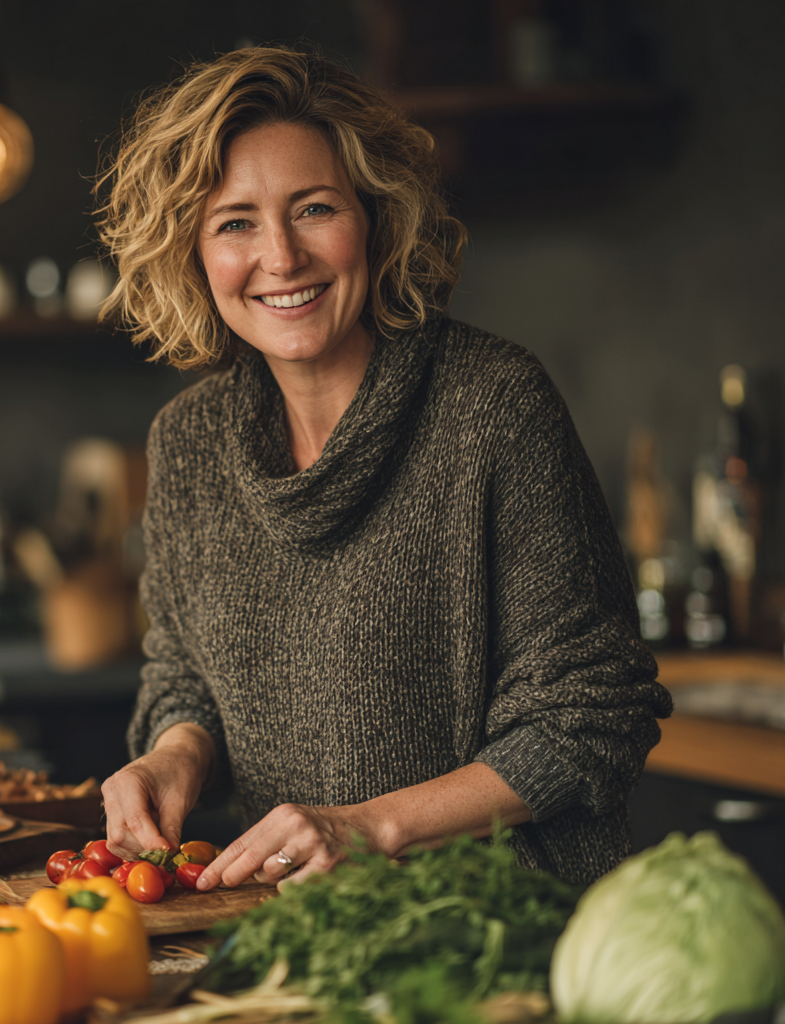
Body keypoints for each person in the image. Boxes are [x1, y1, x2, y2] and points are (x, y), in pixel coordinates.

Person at [96, 46, 672, 890]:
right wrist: (175, 754)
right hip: (298, 936)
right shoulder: (187, 444)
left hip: (501, 932)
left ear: (375, 217)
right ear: (192, 253)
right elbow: (187, 671)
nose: (282, 257)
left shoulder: (493, 406)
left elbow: (593, 716)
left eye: (314, 208)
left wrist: (371, 827)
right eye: (235, 222)